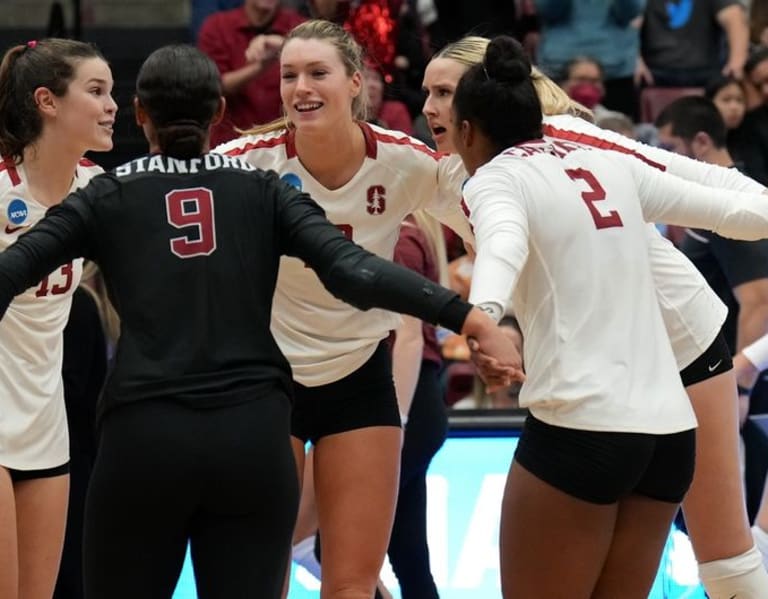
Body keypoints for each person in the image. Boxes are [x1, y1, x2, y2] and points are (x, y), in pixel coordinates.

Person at [0, 43, 521, 599]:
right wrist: (467, 316)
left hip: (146, 433)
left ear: (141, 115)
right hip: (252, 437)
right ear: (219, 113)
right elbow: (354, 271)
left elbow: (15, 269)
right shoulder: (261, 186)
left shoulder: (106, 193)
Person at [422, 34, 768, 598]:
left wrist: (483, 317)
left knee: (727, 557)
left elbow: (504, 246)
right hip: (649, 408)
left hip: (669, 351)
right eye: (426, 92)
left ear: (476, 108)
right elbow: (725, 210)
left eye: (444, 92)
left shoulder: (541, 154)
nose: (430, 107)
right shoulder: (477, 167)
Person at [215, 19, 476, 598]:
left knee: (353, 583)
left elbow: (488, 229)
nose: (300, 88)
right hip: (268, 381)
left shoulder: (406, 161)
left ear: (355, 82)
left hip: (360, 377)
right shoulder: (244, 162)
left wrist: (506, 313)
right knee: (260, 578)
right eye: (289, 76)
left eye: (317, 73)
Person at [0, 38, 116, 599]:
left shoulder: (96, 190)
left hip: (47, 426)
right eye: (96, 91)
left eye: (112, 91)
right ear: (47, 101)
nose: (112, 105)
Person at [197, 0, 305, 145]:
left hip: (285, 144)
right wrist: (261, 66)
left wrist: (286, 45)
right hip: (230, 145)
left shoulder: (300, 27)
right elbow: (212, 86)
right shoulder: (217, 26)